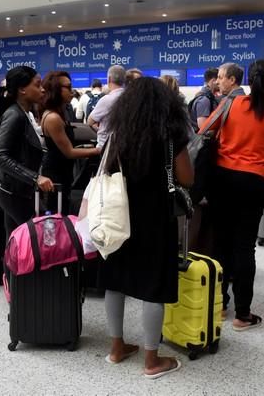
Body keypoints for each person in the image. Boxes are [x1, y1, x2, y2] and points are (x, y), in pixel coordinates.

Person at [101, 77, 193, 379]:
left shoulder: (120, 131)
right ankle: (152, 360)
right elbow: (186, 177)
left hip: (120, 214)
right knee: (154, 283)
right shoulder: (171, 133)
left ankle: (116, 348)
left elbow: (109, 169)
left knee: (115, 279)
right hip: (156, 215)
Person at [202, 59, 264, 331]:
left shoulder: (231, 104)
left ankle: (218, 306)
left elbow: (204, 130)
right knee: (244, 247)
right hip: (253, 184)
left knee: (220, 243)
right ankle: (242, 315)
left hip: (221, 180)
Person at [0, 66, 54, 237]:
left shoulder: (23, 113)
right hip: (14, 190)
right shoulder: (15, 115)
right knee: (39, 237)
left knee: (16, 241)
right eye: (37, 85)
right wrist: (35, 177)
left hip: (16, 188)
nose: (42, 89)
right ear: (22, 90)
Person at [40, 71, 101, 214]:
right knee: (57, 214)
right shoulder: (53, 118)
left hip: (62, 171)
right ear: (56, 90)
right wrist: (98, 150)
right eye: (68, 87)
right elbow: (69, 152)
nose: (72, 91)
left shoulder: (58, 114)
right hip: (56, 174)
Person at [88, 65, 126, 149]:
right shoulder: (132, 98)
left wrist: (102, 130)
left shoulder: (106, 100)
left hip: (106, 148)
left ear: (109, 79)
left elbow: (90, 121)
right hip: (126, 147)